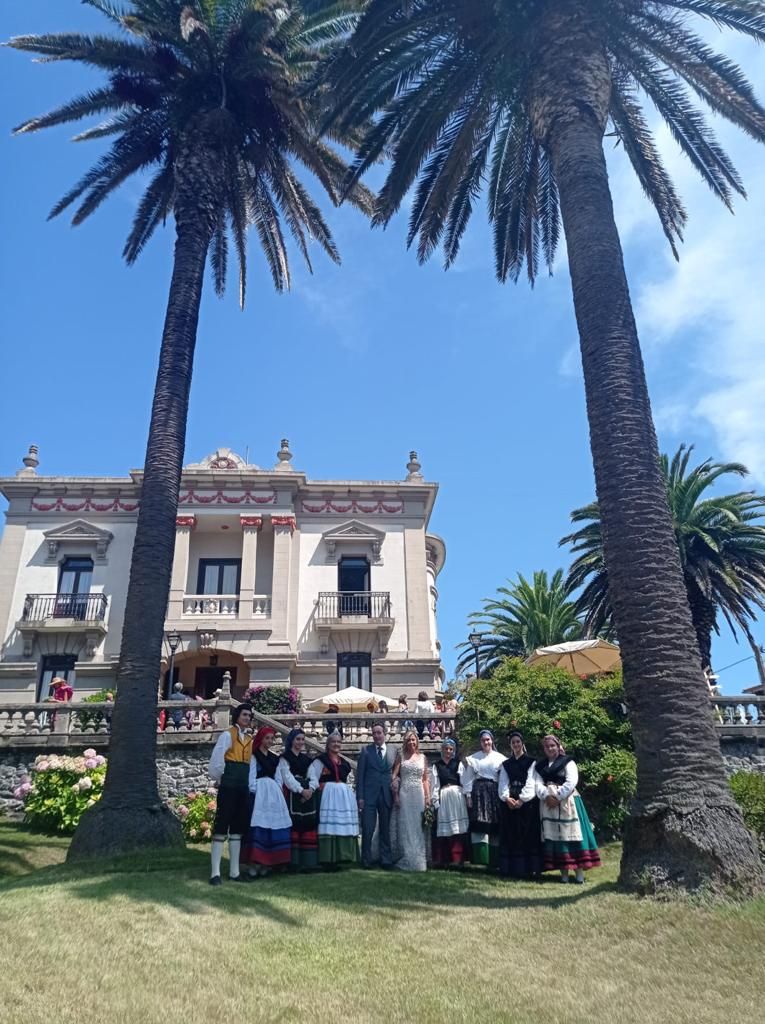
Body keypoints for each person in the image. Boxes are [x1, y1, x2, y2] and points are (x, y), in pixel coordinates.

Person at [520, 734, 601, 883]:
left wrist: (557, 797)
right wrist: (546, 796)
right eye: (547, 746)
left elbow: (571, 781)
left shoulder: (567, 762)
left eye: (553, 746)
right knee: (555, 838)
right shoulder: (541, 766)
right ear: (544, 749)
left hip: (567, 802)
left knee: (572, 836)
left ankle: (579, 875)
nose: (550, 748)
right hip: (548, 804)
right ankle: (563, 874)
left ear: (558, 746)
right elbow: (537, 784)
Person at [207, 703, 254, 885]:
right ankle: (215, 873)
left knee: (237, 829)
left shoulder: (248, 739)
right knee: (221, 826)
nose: (247, 718)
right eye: (244, 715)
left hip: (242, 788)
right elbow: (217, 759)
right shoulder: (228, 735)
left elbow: (250, 767)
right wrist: (221, 778)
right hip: (229, 787)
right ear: (237, 716)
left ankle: (234, 872)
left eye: (249, 716)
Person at [307, 733, 359, 868]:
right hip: (327, 797)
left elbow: (349, 780)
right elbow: (312, 776)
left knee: (341, 824)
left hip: (342, 798)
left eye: (338, 742)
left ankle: (343, 856)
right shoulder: (320, 761)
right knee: (329, 825)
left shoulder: (345, 763)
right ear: (328, 744)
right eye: (333, 742)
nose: (336, 744)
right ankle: (328, 858)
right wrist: (318, 786)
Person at [246, 726, 292, 876]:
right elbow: (251, 778)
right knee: (258, 827)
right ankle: (254, 863)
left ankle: (268, 862)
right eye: (267, 738)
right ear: (261, 739)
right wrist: (257, 790)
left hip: (273, 795)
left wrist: (275, 790)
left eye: (272, 738)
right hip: (259, 794)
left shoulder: (275, 758)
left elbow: (279, 778)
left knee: (273, 827)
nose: (270, 741)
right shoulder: (254, 756)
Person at [497, 730, 541, 879]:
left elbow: (531, 782)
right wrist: (506, 798)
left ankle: (529, 869)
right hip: (510, 802)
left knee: (527, 834)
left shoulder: (531, 762)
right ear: (510, 745)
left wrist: (522, 799)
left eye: (518, 742)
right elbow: (503, 783)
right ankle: (510, 869)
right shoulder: (506, 764)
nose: (516, 744)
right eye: (513, 742)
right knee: (510, 835)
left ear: (522, 743)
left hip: (527, 803)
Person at [356, 722, 397, 869]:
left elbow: (396, 773)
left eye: (379, 733)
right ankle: (366, 860)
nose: (376, 736)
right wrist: (360, 797)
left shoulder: (393, 751)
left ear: (384, 734)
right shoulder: (366, 751)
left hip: (386, 795)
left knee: (385, 829)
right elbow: (359, 776)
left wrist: (396, 784)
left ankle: (386, 859)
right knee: (368, 828)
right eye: (374, 733)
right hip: (369, 795)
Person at [462, 729, 505, 868]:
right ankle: (480, 860)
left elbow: (503, 779)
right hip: (478, 792)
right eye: (483, 740)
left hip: (494, 791)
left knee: (494, 824)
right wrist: (468, 795)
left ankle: (494, 860)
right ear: (480, 742)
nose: (486, 742)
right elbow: (468, 778)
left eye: (488, 740)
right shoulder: (474, 758)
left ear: (492, 741)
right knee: (479, 824)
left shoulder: (500, 758)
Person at [279, 728, 320, 871]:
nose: (300, 742)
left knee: (308, 825)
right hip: (291, 795)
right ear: (291, 740)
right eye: (298, 739)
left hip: (307, 795)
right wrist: (301, 790)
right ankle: (293, 862)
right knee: (293, 826)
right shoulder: (285, 758)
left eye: (302, 739)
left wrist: (311, 789)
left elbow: (313, 776)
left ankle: (308, 862)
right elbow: (287, 777)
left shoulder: (307, 760)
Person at [391, 729, 430, 871]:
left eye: (413, 740)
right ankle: (406, 857)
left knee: (418, 827)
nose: (411, 742)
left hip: (419, 794)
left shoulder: (423, 758)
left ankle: (419, 860)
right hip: (405, 793)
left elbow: (425, 779)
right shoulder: (401, 756)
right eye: (409, 740)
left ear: (417, 741)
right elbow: (394, 776)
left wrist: (428, 798)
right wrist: (395, 794)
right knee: (406, 826)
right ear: (405, 742)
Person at [430, 737, 469, 868]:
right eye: (446, 748)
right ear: (442, 749)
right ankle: (444, 859)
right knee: (444, 830)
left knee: (458, 829)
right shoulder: (437, 765)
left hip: (457, 795)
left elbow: (464, 781)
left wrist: (467, 796)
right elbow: (435, 785)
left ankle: (458, 859)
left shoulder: (458, 764)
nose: (448, 751)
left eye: (450, 749)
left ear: (454, 750)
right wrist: (435, 801)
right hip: (444, 795)